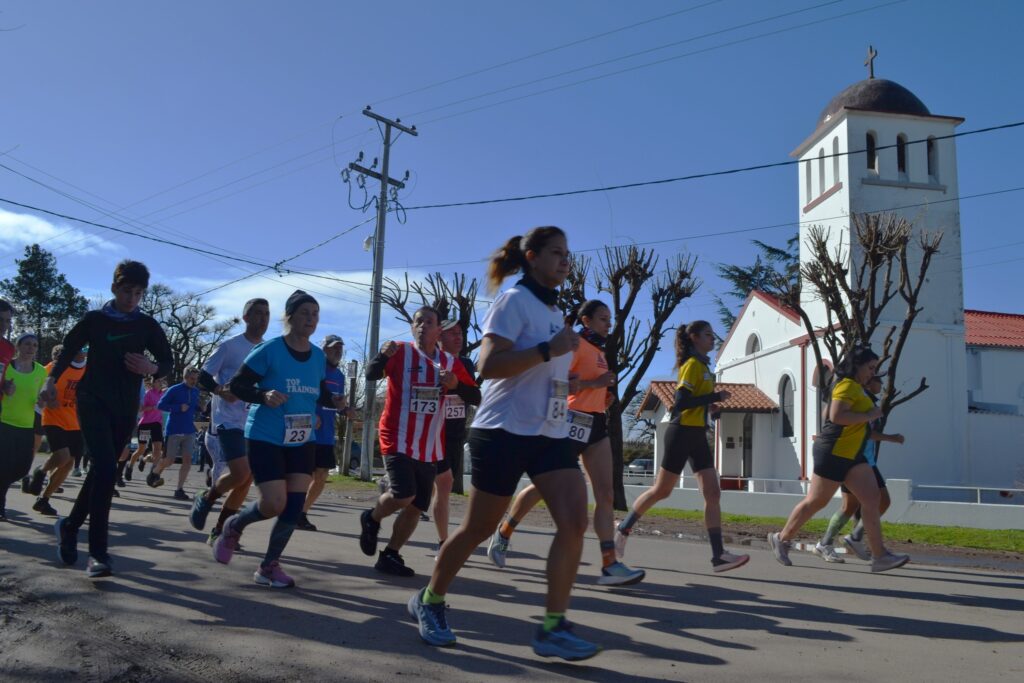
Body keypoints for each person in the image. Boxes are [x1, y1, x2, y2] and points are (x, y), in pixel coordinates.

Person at [408, 226, 600, 661]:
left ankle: (553, 627)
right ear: (532, 257)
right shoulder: (514, 301)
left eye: (568, 253)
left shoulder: (556, 312)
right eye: (556, 252)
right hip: (503, 431)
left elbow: (544, 368)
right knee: (477, 529)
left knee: (574, 522)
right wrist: (549, 351)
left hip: (549, 433)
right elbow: (489, 365)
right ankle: (430, 600)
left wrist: (563, 374)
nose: (565, 260)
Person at [487, 300, 645, 586]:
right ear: (586, 320)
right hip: (569, 422)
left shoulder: (599, 351)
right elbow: (560, 383)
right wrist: (595, 385)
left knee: (606, 494)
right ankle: (504, 532)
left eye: (610, 319)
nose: (609, 324)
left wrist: (603, 398)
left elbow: (588, 387)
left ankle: (610, 563)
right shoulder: (574, 346)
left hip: (596, 425)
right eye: (603, 318)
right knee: (542, 487)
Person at [49, 260, 173, 578]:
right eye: (127, 291)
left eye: (139, 293)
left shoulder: (146, 325)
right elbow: (68, 350)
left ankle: (70, 526)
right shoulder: (95, 320)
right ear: (114, 288)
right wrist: (50, 382)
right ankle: (98, 554)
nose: (132, 298)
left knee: (102, 473)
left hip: (125, 407)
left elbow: (167, 361)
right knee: (105, 468)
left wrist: (151, 368)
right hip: (92, 400)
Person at [212, 290, 343, 588]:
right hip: (266, 436)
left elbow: (318, 391)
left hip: (301, 438)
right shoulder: (269, 350)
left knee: (294, 506)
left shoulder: (318, 356)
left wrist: (334, 401)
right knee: (273, 503)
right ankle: (234, 525)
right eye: (304, 313)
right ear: (289, 316)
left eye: (315, 314)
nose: (310, 319)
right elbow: (238, 385)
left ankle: (269, 566)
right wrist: (263, 395)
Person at [614, 321, 749, 573]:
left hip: (697, 435)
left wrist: (711, 408)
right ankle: (623, 528)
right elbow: (680, 403)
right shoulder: (691, 365)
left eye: (713, 335)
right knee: (661, 491)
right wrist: (715, 397)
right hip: (681, 433)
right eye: (708, 335)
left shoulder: (705, 368)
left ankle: (718, 556)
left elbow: (695, 401)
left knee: (713, 493)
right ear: (694, 338)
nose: (713, 339)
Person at [768, 345, 910, 573]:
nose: (873, 373)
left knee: (873, 499)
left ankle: (880, 556)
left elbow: (832, 415)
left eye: (875, 368)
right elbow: (835, 416)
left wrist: (884, 434)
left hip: (853, 455)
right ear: (857, 365)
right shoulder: (847, 385)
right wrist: (868, 414)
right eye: (870, 367)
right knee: (816, 502)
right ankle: (781, 538)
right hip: (833, 452)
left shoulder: (855, 388)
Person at [359, 307, 476, 576]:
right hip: (396, 436)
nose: (423, 325)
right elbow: (371, 374)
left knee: (416, 506)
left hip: (429, 445)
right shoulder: (400, 351)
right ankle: (371, 518)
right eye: (418, 321)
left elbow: (475, 396)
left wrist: (456, 385)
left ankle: (390, 554)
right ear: (412, 328)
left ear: (438, 331)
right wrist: (381, 355)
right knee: (404, 493)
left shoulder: (449, 362)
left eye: (429, 322)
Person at [190, 298, 270, 542]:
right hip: (227, 419)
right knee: (240, 472)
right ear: (246, 317)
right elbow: (203, 375)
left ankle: (220, 531)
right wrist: (219, 390)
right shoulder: (230, 346)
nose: (263, 319)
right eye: (258, 313)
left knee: (246, 480)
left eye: (266, 314)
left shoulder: (267, 350)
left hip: (253, 421)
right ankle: (207, 498)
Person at [814, 374, 905, 563]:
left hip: (864, 459)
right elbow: (856, 428)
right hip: (853, 458)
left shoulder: (867, 401)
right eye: (878, 379)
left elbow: (865, 431)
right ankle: (849, 539)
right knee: (860, 503)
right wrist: (890, 438)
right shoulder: (855, 398)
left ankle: (842, 539)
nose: (882, 384)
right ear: (869, 381)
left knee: (861, 504)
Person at [431, 319, 481, 550]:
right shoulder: (429, 361)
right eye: (452, 333)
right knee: (441, 484)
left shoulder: (466, 364)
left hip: (454, 433)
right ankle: (444, 542)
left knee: (443, 485)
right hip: (430, 431)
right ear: (439, 337)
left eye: (460, 333)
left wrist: (456, 385)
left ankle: (443, 542)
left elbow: (475, 397)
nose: (458, 337)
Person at [297, 334, 355, 532]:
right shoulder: (313, 369)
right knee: (302, 475)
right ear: (324, 350)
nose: (337, 351)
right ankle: (290, 508)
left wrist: (345, 410)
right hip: (307, 429)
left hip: (327, 434)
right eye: (333, 347)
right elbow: (301, 394)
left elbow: (336, 402)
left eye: (340, 348)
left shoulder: (339, 376)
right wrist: (312, 415)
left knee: (321, 476)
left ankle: (301, 513)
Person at [28, 345, 87, 516]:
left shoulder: (89, 370)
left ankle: (44, 499)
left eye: (85, 349)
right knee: (62, 456)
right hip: (53, 418)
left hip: (76, 423)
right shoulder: (53, 369)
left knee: (68, 464)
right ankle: (41, 471)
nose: (83, 352)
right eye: (80, 348)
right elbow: (37, 388)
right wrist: (46, 399)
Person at [0, 333, 48, 520]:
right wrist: (5, 388)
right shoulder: (7, 366)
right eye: (27, 344)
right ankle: (1, 503)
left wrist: (43, 402)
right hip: (4, 422)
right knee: (4, 465)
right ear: (18, 346)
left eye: (34, 345)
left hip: (27, 424)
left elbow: (42, 397)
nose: (31, 348)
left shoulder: (40, 371)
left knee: (22, 468)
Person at [149, 367, 201, 500]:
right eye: (192, 378)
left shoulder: (196, 391)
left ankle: (179, 490)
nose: (194, 381)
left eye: (196, 379)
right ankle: (154, 472)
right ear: (185, 377)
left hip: (189, 430)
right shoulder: (174, 389)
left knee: (187, 460)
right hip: (174, 430)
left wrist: (201, 408)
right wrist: (178, 407)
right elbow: (160, 405)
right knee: (169, 460)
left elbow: (193, 407)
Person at [129, 377, 165, 479]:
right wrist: (153, 407)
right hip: (146, 424)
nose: (160, 383)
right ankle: (130, 466)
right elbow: (141, 409)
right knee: (141, 449)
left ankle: (152, 473)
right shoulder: (148, 393)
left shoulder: (163, 394)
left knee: (157, 450)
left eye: (161, 381)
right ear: (153, 383)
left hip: (156, 424)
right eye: (158, 381)